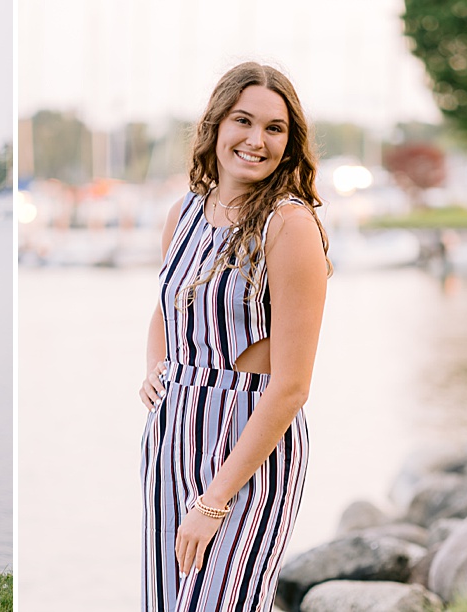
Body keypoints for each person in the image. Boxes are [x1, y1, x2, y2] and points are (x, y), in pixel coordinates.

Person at [138, 62, 330, 611]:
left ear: (290, 143)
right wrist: (155, 371)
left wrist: (216, 500)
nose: (256, 140)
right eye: (243, 121)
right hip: (171, 437)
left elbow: (292, 386)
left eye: (274, 128)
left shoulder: (289, 226)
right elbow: (165, 311)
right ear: (216, 125)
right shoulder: (184, 213)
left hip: (248, 442)